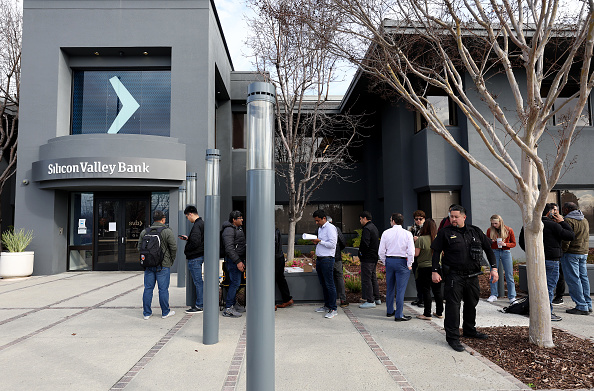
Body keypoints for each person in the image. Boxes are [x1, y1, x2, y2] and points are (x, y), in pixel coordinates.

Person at [431, 205, 498, 352]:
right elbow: (436, 252)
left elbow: (488, 249)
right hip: (455, 275)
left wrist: (494, 268)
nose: (453, 219)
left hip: (473, 276)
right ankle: (453, 338)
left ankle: (469, 330)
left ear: (464, 217)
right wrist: (435, 271)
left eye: (456, 217)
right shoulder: (445, 233)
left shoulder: (475, 231)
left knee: (471, 303)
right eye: (451, 216)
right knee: (453, 307)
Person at [519, 203, 574, 322]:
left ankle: (534, 311)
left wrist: (531, 253)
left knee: (536, 287)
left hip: (535, 260)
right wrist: (562, 222)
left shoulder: (529, 225)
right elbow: (570, 235)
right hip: (551, 260)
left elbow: (522, 242)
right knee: (548, 288)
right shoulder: (553, 225)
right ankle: (546, 313)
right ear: (548, 213)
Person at [138, 210, 177, 320]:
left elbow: (139, 248)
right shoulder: (167, 231)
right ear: (163, 219)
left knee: (148, 289)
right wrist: (170, 260)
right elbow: (173, 248)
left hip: (149, 265)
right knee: (163, 289)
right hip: (163, 265)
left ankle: (146, 313)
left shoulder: (144, 231)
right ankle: (165, 312)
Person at [378, 213, 415, 321]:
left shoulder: (386, 233)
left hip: (390, 260)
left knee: (389, 288)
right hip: (402, 261)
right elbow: (411, 252)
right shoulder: (407, 234)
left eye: (390, 220)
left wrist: (385, 262)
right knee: (400, 290)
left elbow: (381, 251)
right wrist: (410, 264)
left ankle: (390, 311)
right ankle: (399, 315)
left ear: (393, 221)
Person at [560, 202, 592, 315]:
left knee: (573, 279)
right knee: (583, 278)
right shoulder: (584, 220)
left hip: (571, 253)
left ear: (568, 209)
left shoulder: (568, 221)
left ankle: (581, 306)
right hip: (583, 253)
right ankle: (588, 304)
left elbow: (566, 239)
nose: (562, 210)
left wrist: (562, 251)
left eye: (563, 208)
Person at [414, 218, 444, 320]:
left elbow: (416, 254)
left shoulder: (421, 239)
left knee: (426, 290)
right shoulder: (439, 238)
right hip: (437, 268)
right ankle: (439, 312)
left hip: (424, 268)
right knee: (437, 291)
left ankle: (427, 313)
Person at [312, 209, 338, 319]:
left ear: (324, 218)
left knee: (329, 284)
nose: (316, 223)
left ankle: (333, 308)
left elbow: (332, 244)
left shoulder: (331, 228)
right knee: (323, 284)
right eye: (315, 221)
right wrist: (316, 241)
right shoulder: (320, 228)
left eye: (318, 221)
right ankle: (327, 305)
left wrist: (320, 241)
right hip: (320, 259)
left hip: (327, 259)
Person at [485, 215, 517, 303]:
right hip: (494, 251)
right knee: (493, 273)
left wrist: (505, 244)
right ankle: (493, 294)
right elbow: (486, 243)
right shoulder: (489, 230)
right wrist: (490, 241)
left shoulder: (508, 230)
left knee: (509, 274)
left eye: (496, 223)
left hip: (506, 252)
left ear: (500, 222)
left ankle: (512, 296)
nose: (494, 225)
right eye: (492, 223)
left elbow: (514, 243)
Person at [179, 205, 205, 314]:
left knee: (198, 282)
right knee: (199, 281)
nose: (187, 219)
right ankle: (201, 303)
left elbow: (195, 242)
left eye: (187, 216)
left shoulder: (196, 225)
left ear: (190, 214)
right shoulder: (202, 224)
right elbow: (198, 240)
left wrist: (187, 249)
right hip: (199, 255)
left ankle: (199, 305)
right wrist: (188, 239)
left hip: (195, 257)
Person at [221, 210, 247, 318]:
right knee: (235, 282)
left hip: (237, 260)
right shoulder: (229, 230)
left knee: (237, 283)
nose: (242, 219)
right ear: (233, 220)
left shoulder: (237, 228)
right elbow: (229, 248)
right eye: (239, 218)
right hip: (233, 261)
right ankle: (228, 308)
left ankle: (232, 304)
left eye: (242, 217)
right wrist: (238, 261)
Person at [358, 211, 381, 308]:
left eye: (360, 219)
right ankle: (377, 298)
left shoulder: (367, 228)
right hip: (374, 256)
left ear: (364, 218)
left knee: (366, 279)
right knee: (373, 278)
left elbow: (365, 243)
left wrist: (361, 253)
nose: (360, 221)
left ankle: (370, 300)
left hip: (367, 257)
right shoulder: (374, 227)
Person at [327, 216, 348, 308]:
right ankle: (343, 299)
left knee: (329, 278)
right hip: (337, 257)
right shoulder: (336, 229)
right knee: (339, 277)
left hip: (326, 258)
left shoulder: (321, 230)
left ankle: (330, 300)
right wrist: (338, 250)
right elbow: (343, 242)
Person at [409, 210, 426, 307]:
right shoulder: (412, 229)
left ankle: (423, 299)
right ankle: (419, 297)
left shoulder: (426, 229)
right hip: (415, 256)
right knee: (417, 278)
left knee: (423, 279)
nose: (418, 221)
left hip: (423, 256)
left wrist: (418, 239)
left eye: (421, 219)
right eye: (417, 219)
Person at [274, 227, 293, 310]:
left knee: (270, 280)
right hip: (279, 256)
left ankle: (271, 303)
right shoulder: (276, 230)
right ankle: (287, 299)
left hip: (274, 258)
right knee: (280, 278)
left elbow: (273, 244)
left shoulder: (269, 231)